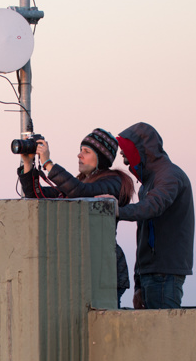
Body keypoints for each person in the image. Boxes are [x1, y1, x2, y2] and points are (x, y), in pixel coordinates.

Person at [17, 128, 135, 306]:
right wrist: (28, 164)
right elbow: (37, 195)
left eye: (86, 152)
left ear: (101, 158)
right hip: (85, 266)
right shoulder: (79, 184)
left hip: (105, 269)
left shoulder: (113, 183)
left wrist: (48, 163)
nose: (79, 155)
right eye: (81, 150)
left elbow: (83, 193)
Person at [114, 122, 194, 309]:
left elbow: (152, 207)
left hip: (165, 274)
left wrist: (115, 210)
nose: (125, 163)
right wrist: (138, 284)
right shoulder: (148, 184)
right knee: (153, 334)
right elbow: (142, 237)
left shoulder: (170, 177)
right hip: (151, 273)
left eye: (126, 155)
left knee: (163, 334)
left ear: (140, 151)